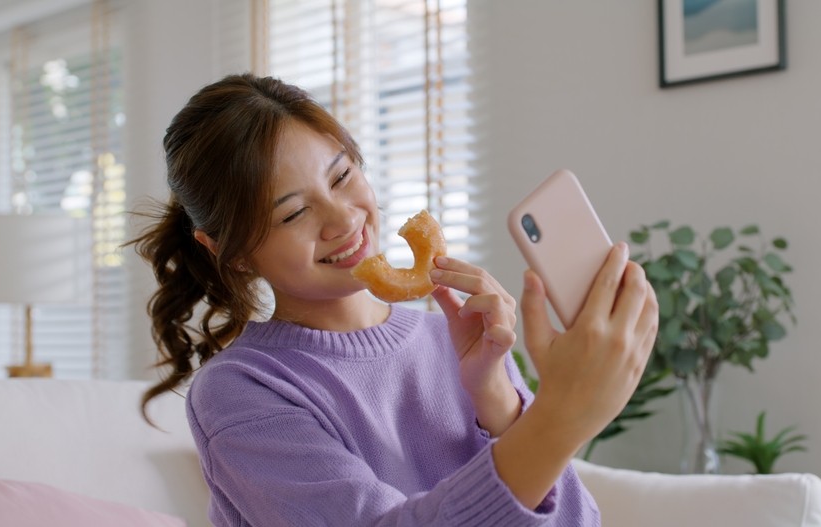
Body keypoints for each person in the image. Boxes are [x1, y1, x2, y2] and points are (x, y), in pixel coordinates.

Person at [132, 73, 659, 526]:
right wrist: (561, 416)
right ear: (232, 251)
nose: (344, 219)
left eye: (342, 176)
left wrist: (498, 400)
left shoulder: (461, 341)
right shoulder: (241, 392)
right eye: (293, 213)